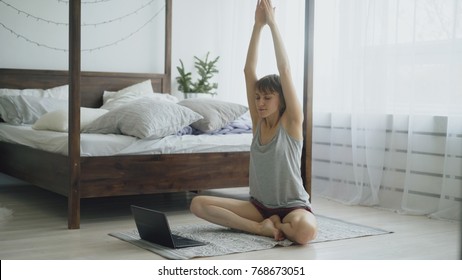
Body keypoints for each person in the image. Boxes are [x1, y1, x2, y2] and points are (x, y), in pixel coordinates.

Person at [190, 0, 317, 245]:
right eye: (258, 97)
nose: (260, 102)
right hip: (258, 207)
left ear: (281, 100)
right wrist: (256, 26)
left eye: (267, 98)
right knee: (198, 204)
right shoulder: (258, 123)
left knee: (306, 232)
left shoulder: (291, 123)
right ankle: (261, 229)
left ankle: (277, 225)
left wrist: (272, 24)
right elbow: (249, 70)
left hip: (293, 207)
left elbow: (286, 69)